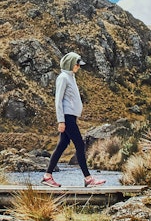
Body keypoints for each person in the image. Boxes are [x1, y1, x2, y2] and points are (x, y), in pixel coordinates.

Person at [42, 51, 106, 188]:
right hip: (67, 117)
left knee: (62, 145)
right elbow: (58, 100)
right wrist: (61, 120)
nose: (79, 67)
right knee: (80, 145)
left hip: (71, 117)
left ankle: (47, 176)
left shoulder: (71, 77)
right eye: (77, 64)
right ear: (71, 64)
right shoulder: (63, 78)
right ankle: (88, 178)